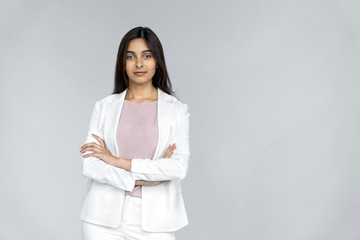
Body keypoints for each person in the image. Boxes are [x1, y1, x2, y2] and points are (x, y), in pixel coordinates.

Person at [79, 26, 191, 240]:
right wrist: (139, 180)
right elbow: (91, 164)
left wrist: (116, 161)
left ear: (157, 61)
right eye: (131, 56)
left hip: (157, 221)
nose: (139, 64)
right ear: (123, 63)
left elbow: (178, 167)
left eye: (146, 55)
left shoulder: (176, 110)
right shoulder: (104, 107)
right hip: (101, 220)